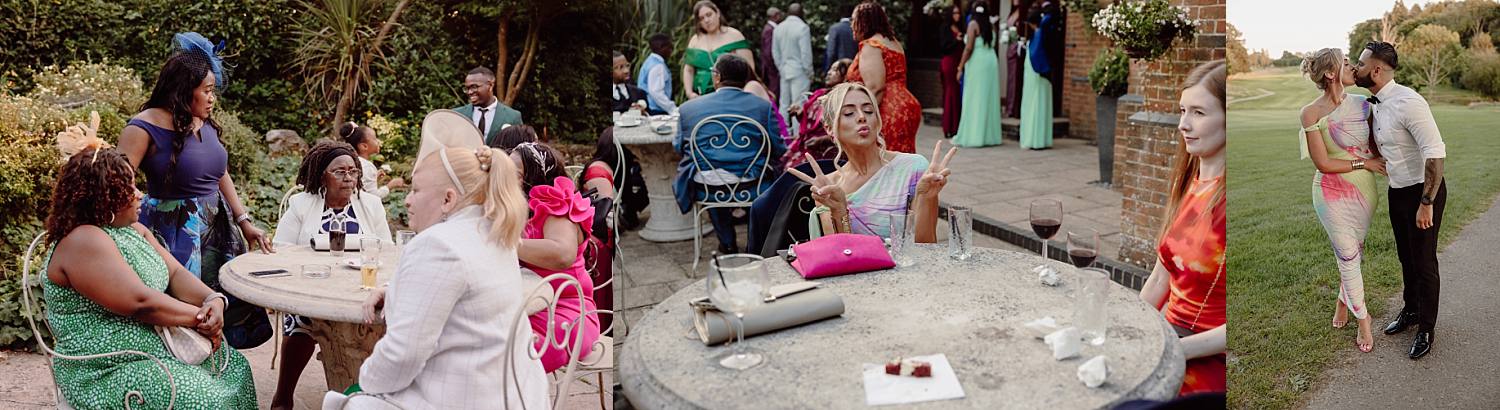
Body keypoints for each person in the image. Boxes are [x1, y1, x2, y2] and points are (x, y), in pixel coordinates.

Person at [43, 120, 258, 409]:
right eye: (127, 188)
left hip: (154, 349)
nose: (139, 194)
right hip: (105, 366)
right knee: (207, 398)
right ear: (102, 198)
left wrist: (213, 300)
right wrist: (200, 318)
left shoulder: (132, 230)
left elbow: (175, 272)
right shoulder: (84, 240)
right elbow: (141, 303)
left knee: (236, 368)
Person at [329, 144, 548, 409]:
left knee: (348, 400)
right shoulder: (494, 233)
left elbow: (402, 356)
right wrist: (395, 290)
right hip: (515, 394)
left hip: (461, 399)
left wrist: (364, 384)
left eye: (416, 190)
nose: (407, 200)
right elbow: (466, 295)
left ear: (448, 199)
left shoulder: (438, 244)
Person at [117, 32, 273, 350]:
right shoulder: (142, 127)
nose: (212, 98)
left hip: (217, 229)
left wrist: (244, 221)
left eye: (213, 90)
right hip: (173, 234)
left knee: (221, 309)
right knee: (186, 319)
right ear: (183, 88)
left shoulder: (204, 122)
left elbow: (219, 173)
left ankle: (222, 370)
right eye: (207, 90)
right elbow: (117, 183)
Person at [267, 140, 392, 409]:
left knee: (383, 321)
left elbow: (387, 248)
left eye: (353, 171)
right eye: (339, 172)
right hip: (313, 285)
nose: (348, 178)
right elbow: (281, 248)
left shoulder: (370, 204)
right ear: (322, 175)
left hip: (360, 287)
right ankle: (283, 396)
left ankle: (366, 393)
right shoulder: (302, 204)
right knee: (301, 321)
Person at [1354, 41, 1448, 360]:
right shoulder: (1376, 103)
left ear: (1376, 71)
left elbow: (1435, 154)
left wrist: (1426, 202)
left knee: (1424, 261)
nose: (1356, 68)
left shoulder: (1410, 102)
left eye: (1361, 64)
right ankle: (1411, 311)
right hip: (1398, 191)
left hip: (1424, 191)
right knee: (1406, 258)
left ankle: (1426, 328)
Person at [1138, 60, 1227, 396]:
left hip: (1208, 356)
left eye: (1198, 113)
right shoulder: (1186, 181)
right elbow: (1159, 279)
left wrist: (1174, 350)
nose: (1183, 124)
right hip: (1168, 336)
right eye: (1182, 111)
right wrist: (1130, 328)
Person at [1298, 48, 1387, 354]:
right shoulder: (1310, 113)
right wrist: (1364, 164)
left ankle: (1342, 302)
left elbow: (1377, 146)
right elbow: (1323, 163)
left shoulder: (1364, 104)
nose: (1352, 67)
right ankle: (1364, 319)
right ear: (1330, 73)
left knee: (1352, 253)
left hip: (1364, 192)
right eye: (1346, 63)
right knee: (1347, 255)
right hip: (1330, 194)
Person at [787, 82, 957, 242]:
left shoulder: (912, 168)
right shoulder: (829, 185)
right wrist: (839, 212)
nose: (862, 117)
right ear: (830, 128)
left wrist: (927, 198)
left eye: (868, 111)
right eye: (849, 113)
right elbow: (842, 253)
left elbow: (925, 245)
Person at [675, 54, 787, 254]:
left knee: (712, 174)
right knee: (764, 175)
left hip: (707, 187)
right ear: (745, 78)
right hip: (753, 185)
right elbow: (778, 148)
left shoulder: (688, 109)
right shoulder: (762, 107)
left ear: (717, 77)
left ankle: (727, 243)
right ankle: (756, 245)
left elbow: (679, 148)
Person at [509, 142, 603, 372]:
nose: (507, 179)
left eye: (516, 174)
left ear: (533, 178)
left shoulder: (555, 208)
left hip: (567, 311)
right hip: (528, 302)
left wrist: (507, 244)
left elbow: (563, 254)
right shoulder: (519, 208)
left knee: (511, 348)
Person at [846, 1, 922, 154]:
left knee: (884, 159)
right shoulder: (893, 42)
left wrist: (864, 116)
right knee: (902, 159)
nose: (851, 25)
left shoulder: (871, 45)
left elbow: (876, 88)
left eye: (853, 20)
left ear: (864, 21)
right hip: (906, 104)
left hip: (888, 108)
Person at [783, 58, 853, 169]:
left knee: (794, 170)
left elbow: (847, 132)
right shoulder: (820, 94)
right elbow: (812, 123)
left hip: (827, 151)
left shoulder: (843, 100)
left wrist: (822, 140)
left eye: (835, 70)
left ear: (846, 76)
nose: (829, 72)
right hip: (808, 144)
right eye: (830, 69)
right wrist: (800, 113)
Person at [953, 1, 1003, 148]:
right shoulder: (991, 25)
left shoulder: (973, 24)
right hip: (991, 61)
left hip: (977, 62)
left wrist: (960, 66)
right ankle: (990, 137)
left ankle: (974, 136)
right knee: (989, 97)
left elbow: (968, 48)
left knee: (975, 97)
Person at [683, 1, 756, 99]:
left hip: (730, 94)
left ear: (717, 13)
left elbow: (749, 68)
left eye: (709, 15)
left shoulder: (734, 36)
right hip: (701, 96)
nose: (706, 20)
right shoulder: (695, 40)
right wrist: (689, 93)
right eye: (701, 18)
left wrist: (744, 92)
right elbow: (688, 70)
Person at [587, 127, 649, 231]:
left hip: (621, 159)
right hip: (601, 222)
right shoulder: (598, 171)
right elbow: (602, 212)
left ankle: (629, 211)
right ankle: (628, 213)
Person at [1019, 1, 1061, 150]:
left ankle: (1034, 139)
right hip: (1042, 73)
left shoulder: (1039, 33)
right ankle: (1041, 139)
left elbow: (1035, 55)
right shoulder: (1044, 31)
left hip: (1036, 74)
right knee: (1042, 104)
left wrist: (1040, 70)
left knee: (1034, 104)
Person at [453, 67, 524, 146]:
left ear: (490, 86)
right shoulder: (456, 115)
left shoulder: (512, 117)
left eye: (474, 87)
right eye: (467, 88)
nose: (469, 92)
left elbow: (519, 148)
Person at [773, 3, 814, 131]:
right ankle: (798, 133)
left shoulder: (778, 28)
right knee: (799, 103)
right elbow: (805, 54)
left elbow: (775, 52)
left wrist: (781, 68)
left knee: (784, 103)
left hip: (784, 70)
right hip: (799, 71)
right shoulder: (802, 28)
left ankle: (783, 133)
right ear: (801, 13)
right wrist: (809, 72)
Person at [340, 122, 405, 200]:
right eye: (375, 139)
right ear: (364, 146)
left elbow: (361, 187)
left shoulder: (352, 161)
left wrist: (374, 177)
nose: (378, 141)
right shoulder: (367, 167)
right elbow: (372, 198)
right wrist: (391, 185)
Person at [938, 4, 965, 139]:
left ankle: (956, 126)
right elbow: (943, 47)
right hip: (949, 62)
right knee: (950, 92)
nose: (957, 15)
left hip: (958, 62)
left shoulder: (960, 27)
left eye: (958, 13)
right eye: (955, 13)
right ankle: (949, 127)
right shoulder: (945, 28)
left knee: (956, 94)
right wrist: (956, 40)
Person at [639, 33, 678, 115]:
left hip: (648, 106)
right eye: (669, 47)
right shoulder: (657, 66)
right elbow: (656, 92)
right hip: (655, 109)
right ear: (661, 48)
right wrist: (672, 108)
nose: (671, 50)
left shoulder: (649, 61)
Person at [1004, 0, 1029, 118]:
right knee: (1010, 79)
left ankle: (1014, 108)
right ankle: (1009, 106)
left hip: (1018, 49)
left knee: (1015, 79)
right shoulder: (1012, 12)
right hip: (1010, 47)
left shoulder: (1023, 12)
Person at [824, 6, 857, 74]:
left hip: (838, 69)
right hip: (855, 68)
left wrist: (827, 69)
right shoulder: (856, 28)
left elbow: (830, 52)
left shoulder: (834, 28)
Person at [761, 7, 784, 98]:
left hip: (770, 67)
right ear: (776, 16)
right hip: (772, 68)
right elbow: (768, 51)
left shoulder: (769, 28)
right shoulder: (770, 30)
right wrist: (775, 66)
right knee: (774, 92)